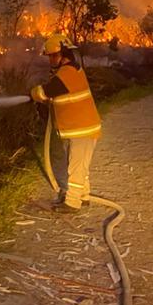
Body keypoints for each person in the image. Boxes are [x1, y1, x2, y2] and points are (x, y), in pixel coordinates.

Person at [30, 33, 101, 210]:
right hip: (80, 129)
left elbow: (48, 90)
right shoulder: (70, 71)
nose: (50, 60)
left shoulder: (68, 73)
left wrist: (34, 93)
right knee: (79, 165)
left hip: (82, 129)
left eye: (52, 56)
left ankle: (72, 203)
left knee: (76, 167)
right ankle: (83, 196)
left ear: (61, 55)